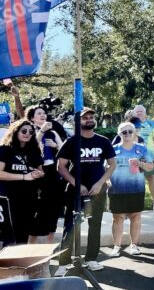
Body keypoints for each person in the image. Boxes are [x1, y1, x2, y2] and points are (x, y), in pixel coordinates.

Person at [55, 107, 117, 277]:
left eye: (91, 117)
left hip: (97, 189)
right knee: (71, 225)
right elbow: (61, 166)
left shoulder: (103, 141)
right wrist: (77, 184)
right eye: (85, 118)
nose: (89, 119)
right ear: (78, 121)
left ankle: (91, 259)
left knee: (95, 224)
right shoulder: (72, 142)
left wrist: (100, 183)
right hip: (76, 190)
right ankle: (64, 263)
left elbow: (112, 165)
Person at [108, 122, 154, 257]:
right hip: (117, 189)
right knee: (117, 218)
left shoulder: (142, 149)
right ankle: (116, 246)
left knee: (136, 217)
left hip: (136, 188)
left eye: (130, 131)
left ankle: (134, 245)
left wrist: (140, 163)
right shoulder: (113, 149)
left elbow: (151, 167)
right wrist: (106, 180)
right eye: (124, 132)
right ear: (119, 134)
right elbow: (105, 168)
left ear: (134, 133)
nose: (127, 134)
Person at [25, 104, 66, 244]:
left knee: (53, 209)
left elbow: (64, 150)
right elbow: (33, 146)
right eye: (39, 113)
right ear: (32, 118)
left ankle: (49, 247)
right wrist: (41, 131)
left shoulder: (53, 133)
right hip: (36, 173)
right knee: (38, 211)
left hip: (52, 172)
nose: (43, 115)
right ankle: (30, 247)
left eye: (44, 113)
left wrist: (56, 146)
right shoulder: (28, 131)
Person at [0, 120, 44, 244]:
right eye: (23, 131)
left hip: (29, 198)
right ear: (15, 131)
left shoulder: (34, 151)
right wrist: (24, 177)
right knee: (10, 236)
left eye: (31, 132)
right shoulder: (5, 150)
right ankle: (8, 262)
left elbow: (40, 171)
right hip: (8, 198)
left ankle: (19, 263)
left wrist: (38, 174)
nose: (27, 134)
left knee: (23, 235)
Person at [133, 105, 154, 210]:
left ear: (145, 113)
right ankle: (137, 203)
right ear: (134, 113)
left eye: (141, 111)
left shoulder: (152, 124)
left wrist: (151, 151)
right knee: (136, 180)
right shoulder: (131, 124)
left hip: (148, 157)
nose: (139, 113)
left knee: (150, 178)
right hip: (134, 157)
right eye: (137, 112)